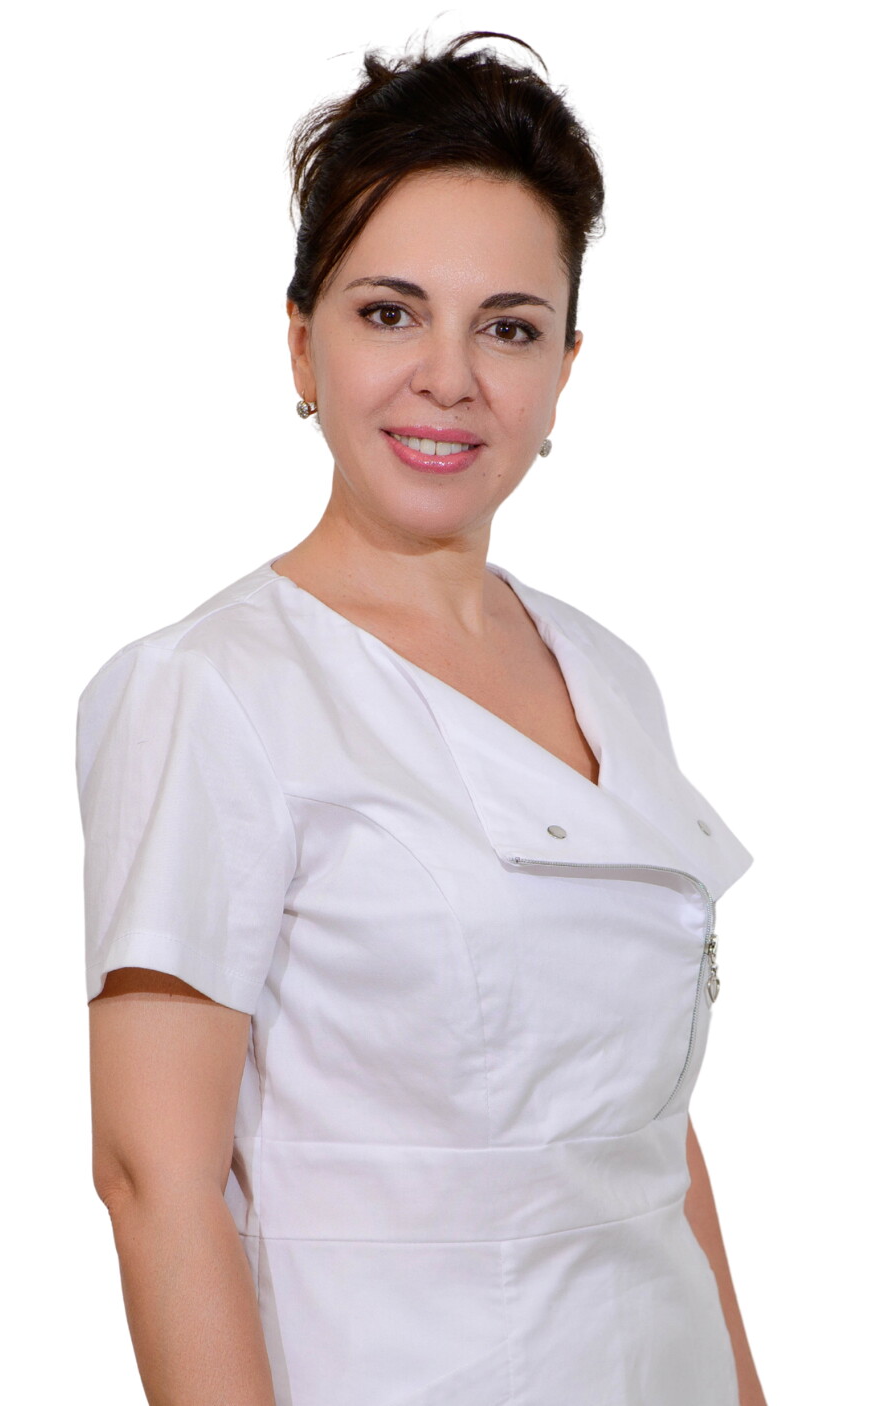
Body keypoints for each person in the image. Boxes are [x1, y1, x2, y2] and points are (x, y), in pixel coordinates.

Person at [76, 31, 767, 1406]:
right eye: (390, 313)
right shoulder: (209, 688)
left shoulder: (609, 674)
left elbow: (646, 1138)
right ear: (302, 341)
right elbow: (155, 1173)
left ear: (562, 367)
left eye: (507, 327)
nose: (449, 376)